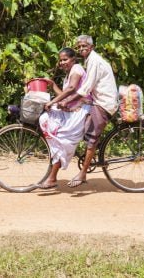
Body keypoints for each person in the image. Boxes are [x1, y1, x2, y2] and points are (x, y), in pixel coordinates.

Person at [57, 34, 118, 188]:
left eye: (84, 46)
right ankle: (88, 156)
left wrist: (67, 100)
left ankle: (83, 174)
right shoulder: (90, 60)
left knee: (91, 138)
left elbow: (86, 87)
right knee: (82, 127)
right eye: (79, 47)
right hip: (99, 101)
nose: (81, 49)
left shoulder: (94, 61)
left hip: (103, 103)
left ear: (91, 47)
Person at [35, 48, 92, 190]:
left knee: (62, 139)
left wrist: (53, 101)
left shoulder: (77, 69)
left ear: (73, 59)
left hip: (81, 111)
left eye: (65, 59)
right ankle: (56, 162)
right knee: (45, 119)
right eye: (60, 60)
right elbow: (65, 94)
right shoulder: (68, 74)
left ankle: (52, 178)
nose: (62, 62)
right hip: (71, 110)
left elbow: (72, 88)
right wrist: (53, 85)